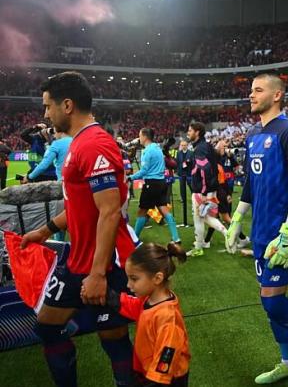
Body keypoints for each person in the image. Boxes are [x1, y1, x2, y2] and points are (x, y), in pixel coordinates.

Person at [21, 71, 138, 386]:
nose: (46, 114)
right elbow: (79, 207)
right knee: (47, 326)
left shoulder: (94, 145)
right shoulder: (77, 143)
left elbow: (110, 211)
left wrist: (98, 274)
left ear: (67, 105)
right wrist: (45, 231)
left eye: (48, 106)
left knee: (112, 338)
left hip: (107, 263)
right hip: (79, 258)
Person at [225, 74, 288, 384]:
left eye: (258, 90)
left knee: (271, 298)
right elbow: (250, 183)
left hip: (283, 232)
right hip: (260, 230)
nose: (251, 95)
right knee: (268, 302)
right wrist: (238, 219)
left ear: (277, 94)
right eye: (250, 90)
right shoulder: (253, 133)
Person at [103, 242, 191, 386]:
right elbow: (133, 307)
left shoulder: (167, 317)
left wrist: (155, 381)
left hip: (168, 380)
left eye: (134, 279)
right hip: (149, 371)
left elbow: (166, 356)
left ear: (157, 278)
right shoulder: (149, 299)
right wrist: (108, 295)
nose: (128, 285)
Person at [129, 128, 180, 244]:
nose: (139, 138)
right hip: (161, 182)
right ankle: (176, 237)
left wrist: (130, 178)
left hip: (151, 184)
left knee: (142, 211)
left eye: (140, 136)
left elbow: (144, 171)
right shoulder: (157, 148)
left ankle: (134, 238)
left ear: (145, 136)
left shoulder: (147, 151)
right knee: (164, 209)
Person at [186, 123, 229, 257]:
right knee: (206, 217)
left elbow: (205, 170)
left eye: (190, 130)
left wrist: (203, 192)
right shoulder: (206, 146)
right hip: (210, 188)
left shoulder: (200, 148)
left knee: (199, 218)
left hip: (202, 190)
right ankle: (228, 234)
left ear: (197, 132)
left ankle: (199, 247)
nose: (188, 132)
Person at [175, 140, 192, 227]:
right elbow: (177, 162)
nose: (183, 146)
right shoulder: (179, 153)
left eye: (185, 145)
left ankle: (194, 198)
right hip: (181, 173)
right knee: (182, 187)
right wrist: (178, 171)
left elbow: (192, 163)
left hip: (189, 173)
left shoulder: (191, 153)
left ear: (187, 145)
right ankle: (183, 198)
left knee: (191, 187)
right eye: (182, 145)